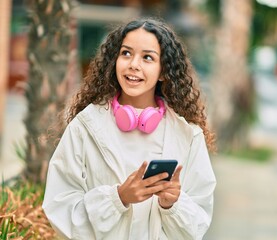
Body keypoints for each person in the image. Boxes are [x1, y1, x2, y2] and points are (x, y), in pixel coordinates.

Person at [42, 17, 217, 240]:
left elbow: (199, 223)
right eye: (126, 53)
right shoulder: (85, 126)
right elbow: (60, 205)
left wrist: (172, 204)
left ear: (164, 71)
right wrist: (118, 198)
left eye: (147, 57)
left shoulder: (188, 135)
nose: (134, 64)